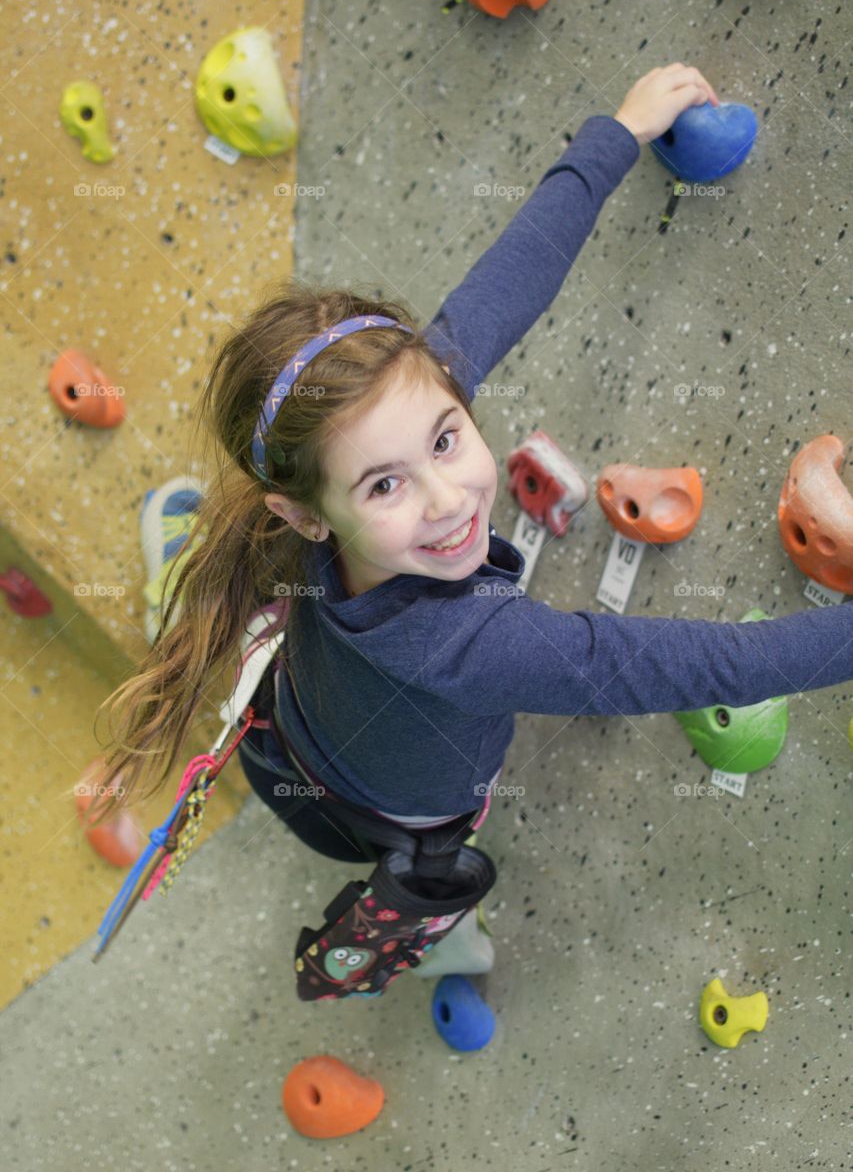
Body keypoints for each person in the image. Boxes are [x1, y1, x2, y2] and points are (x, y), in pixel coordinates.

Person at [93, 64, 851, 975]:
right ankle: (442, 941)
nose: (447, 496)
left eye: (447, 440)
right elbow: (705, 663)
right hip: (378, 822)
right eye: (384, 486)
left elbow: (508, 284)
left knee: (271, 610)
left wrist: (618, 131)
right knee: (432, 878)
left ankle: (177, 590)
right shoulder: (473, 646)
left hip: (282, 729)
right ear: (303, 512)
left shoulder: (370, 426)